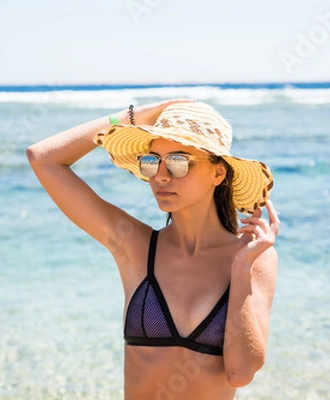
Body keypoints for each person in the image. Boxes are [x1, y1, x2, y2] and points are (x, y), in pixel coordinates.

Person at [26, 99, 279, 399]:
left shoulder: (253, 257)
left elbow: (240, 372)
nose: (161, 175)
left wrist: (240, 267)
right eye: (152, 161)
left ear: (218, 173)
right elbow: (43, 158)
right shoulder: (136, 246)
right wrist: (134, 116)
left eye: (178, 161)